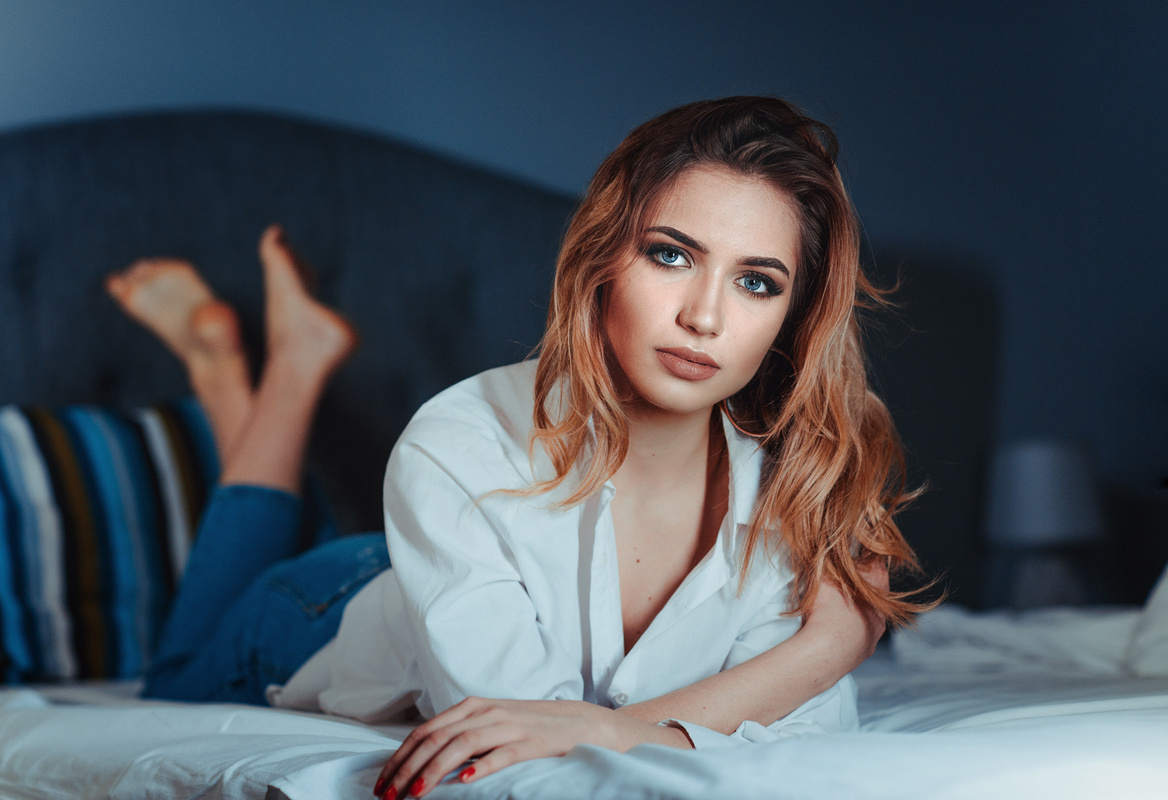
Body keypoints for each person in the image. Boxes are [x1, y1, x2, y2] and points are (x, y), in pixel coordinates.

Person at [108, 96, 928, 800]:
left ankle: (255, 375)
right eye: (670, 254)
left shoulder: (800, 489)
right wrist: (821, 651)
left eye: (757, 281)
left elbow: (797, 738)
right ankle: (270, 376)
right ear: (604, 259)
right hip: (331, 610)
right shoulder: (458, 438)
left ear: (792, 320)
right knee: (171, 681)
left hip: (439, 557)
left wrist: (826, 649)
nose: (705, 318)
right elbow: (512, 739)